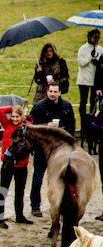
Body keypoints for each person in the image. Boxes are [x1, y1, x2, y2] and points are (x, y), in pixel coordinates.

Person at [29, 83, 76, 217]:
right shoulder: (39, 107)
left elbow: (71, 127)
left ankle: (59, 205)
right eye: (50, 91)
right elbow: (31, 126)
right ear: (46, 91)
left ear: (60, 92)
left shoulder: (66, 106)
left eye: (55, 91)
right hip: (42, 149)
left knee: (59, 178)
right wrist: (45, 126)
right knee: (37, 177)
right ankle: (35, 205)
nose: (53, 94)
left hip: (60, 151)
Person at [0, 105, 33, 228]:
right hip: (7, 164)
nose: (14, 119)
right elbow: (0, 111)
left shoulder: (26, 128)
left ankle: (19, 216)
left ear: (22, 117)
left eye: (17, 117)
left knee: (20, 191)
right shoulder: (6, 124)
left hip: (22, 165)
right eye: (12, 116)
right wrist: (13, 106)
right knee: (3, 190)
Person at [77, 29, 103, 140]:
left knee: (94, 105)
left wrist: (98, 61)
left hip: (95, 82)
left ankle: (93, 128)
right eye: (94, 37)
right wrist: (89, 57)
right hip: (84, 81)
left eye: (98, 37)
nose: (96, 40)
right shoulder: (83, 49)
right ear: (89, 37)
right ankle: (83, 125)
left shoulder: (100, 49)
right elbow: (81, 63)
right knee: (83, 104)